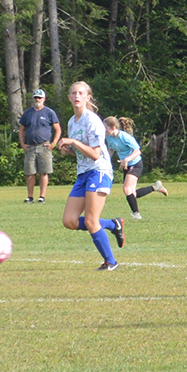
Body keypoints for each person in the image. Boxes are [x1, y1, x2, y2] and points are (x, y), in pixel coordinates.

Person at [57, 81, 126, 271]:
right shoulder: (72, 121)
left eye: (81, 93)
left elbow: (95, 154)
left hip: (99, 171)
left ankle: (111, 262)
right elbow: (82, 152)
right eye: (73, 93)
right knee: (69, 221)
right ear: (69, 97)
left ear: (88, 97)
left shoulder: (93, 120)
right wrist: (68, 150)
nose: (77, 96)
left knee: (90, 220)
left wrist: (73, 142)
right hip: (83, 173)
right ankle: (112, 225)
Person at [104, 116, 168, 220]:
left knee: (126, 189)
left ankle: (136, 215)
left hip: (135, 164)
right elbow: (111, 149)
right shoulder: (109, 137)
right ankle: (156, 187)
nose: (103, 129)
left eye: (105, 127)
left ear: (113, 127)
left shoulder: (125, 137)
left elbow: (137, 151)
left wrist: (126, 160)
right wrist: (106, 160)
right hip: (127, 164)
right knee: (132, 193)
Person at [18, 89, 61, 204]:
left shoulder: (49, 112)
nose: (37, 100)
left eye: (39, 98)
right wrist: (22, 144)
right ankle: (30, 197)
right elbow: (21, 130)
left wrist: (53, 144)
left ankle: (42, 196)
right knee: (30, 173)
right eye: (36, 97)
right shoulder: (28, 113)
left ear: (44, 99)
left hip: (44, 146)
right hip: (30, 147)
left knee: (44, 172)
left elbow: (57, 129)